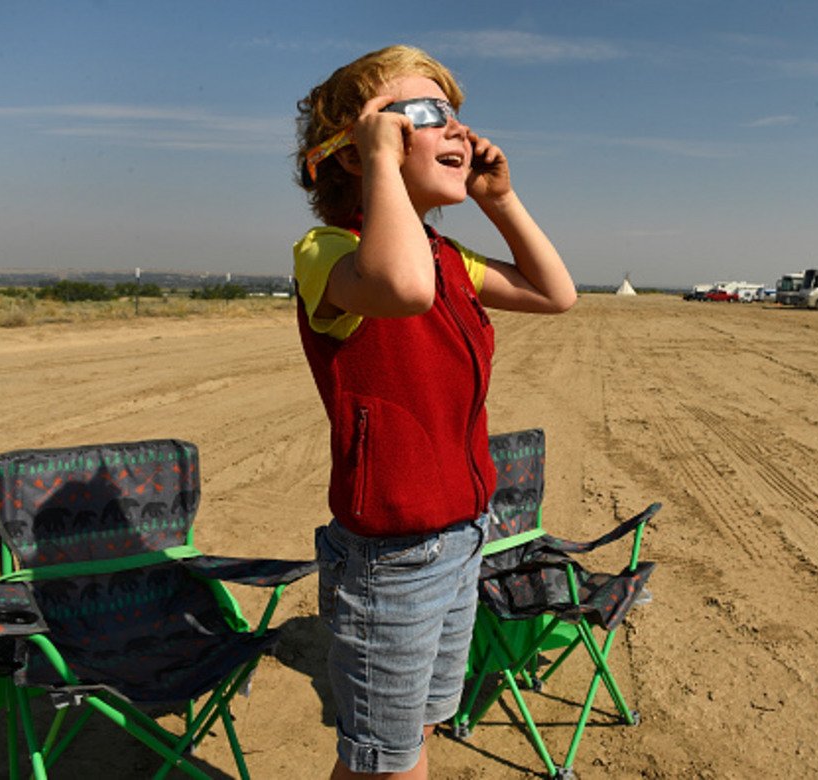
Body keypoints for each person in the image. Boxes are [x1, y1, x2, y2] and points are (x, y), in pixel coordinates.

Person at [292, 45, 576, 780]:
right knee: (384, 762)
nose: (456, 132)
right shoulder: (329, 252)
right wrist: (383, 161)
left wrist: (498, 200)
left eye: (456, 116)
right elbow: (403, 289)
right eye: (421, 115)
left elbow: (555, 294)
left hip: (461, 537)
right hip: (392, 556)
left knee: (410, 734)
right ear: (354, 153)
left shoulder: (449, 258)